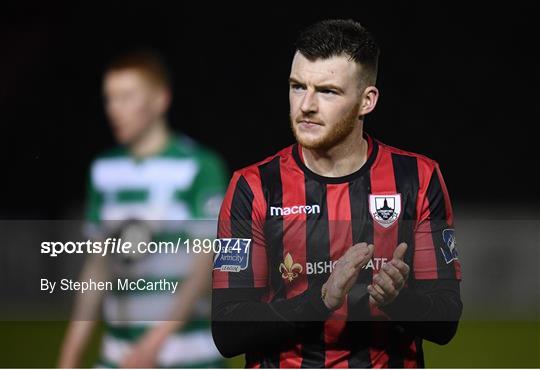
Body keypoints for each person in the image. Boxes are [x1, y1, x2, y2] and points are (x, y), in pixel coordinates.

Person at [211, 19, 462, 368]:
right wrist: (321, 300)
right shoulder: (254, 186)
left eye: (327, 91)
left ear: (366, 101)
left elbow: (446, 319)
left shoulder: (416, 178)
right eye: (298, 87)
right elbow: (227, 331)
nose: (306, 105)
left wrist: (396, 301)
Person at [58, 50, 227, 368]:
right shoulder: (103, 170)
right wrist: (70, 355)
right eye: (109, 98)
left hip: (189, 356)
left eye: (126, 96)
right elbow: (98, 266)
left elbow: (206, 265)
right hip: (118, 356)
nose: (114, 109)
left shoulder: (200, 166)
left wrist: (153, 345)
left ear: (160, 100)